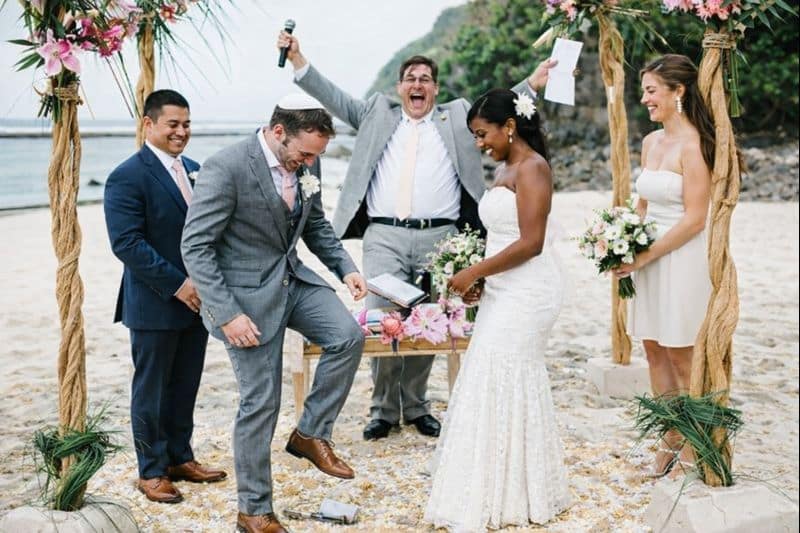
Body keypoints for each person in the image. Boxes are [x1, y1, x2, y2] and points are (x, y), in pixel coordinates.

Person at [277, 29, 555, 441]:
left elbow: (497, 108)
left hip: (440, 236)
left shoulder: (457, 116)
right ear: (400, 87)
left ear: (435, 89)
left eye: (425, 79)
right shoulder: (375, 112)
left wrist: (531, 83)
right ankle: (384, 410)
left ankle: (418, 405)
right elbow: (334, 98)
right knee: (384, 321)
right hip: (384, 235)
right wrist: (299, 60)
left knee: (431, 320)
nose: (418, 84)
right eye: (411, 78)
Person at [180, 94, 367, 533]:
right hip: (243, 301)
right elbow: (195, 247)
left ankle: (309, 434)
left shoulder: (306, 161)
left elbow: (315, 224)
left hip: (292, 281)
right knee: (260, 403)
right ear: (278, 132)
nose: (308, 163)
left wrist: (347, 268)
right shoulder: (226, 167)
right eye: (305, 154)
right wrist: (226, 314)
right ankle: (254, 511)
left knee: (347, 335)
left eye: (315, 157)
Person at [423, 88, 570, 530]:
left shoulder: (534, 168)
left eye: (482, 133)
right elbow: (502, 241)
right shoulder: (507, 167)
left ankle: (514, 490)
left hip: (530, 293)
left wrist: (472, 272)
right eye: (473, 135)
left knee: (505, 373)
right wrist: (483, 281)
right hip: (504, 289)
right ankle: (492, 484)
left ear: (510, 126)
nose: (478, 143)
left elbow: (531, 242)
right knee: (487, 373)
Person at [103, 89, 227, 504]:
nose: (181, 131)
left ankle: (180, 457)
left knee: (185, 384)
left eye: (186, 124)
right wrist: (179, 284)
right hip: (155, 302)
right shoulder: (127, 175)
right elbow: (127, 243)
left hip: (199, 302)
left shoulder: (196, 170)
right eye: (173, 124)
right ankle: (152, 470)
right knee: (151, 388)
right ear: (149, 124)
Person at [612, 54, 716, 478]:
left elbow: (695, 217)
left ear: (679, 92)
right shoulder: (651, 143)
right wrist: (620, 242)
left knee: (681, 351)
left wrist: (649, 253)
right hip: (646, 258)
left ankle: (697, 444)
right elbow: (643, 202)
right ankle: (668, 439)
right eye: (644, 90)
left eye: (652, 90)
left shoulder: (695, 145)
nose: (645, 98)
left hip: (681, 256)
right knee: (653, 347)